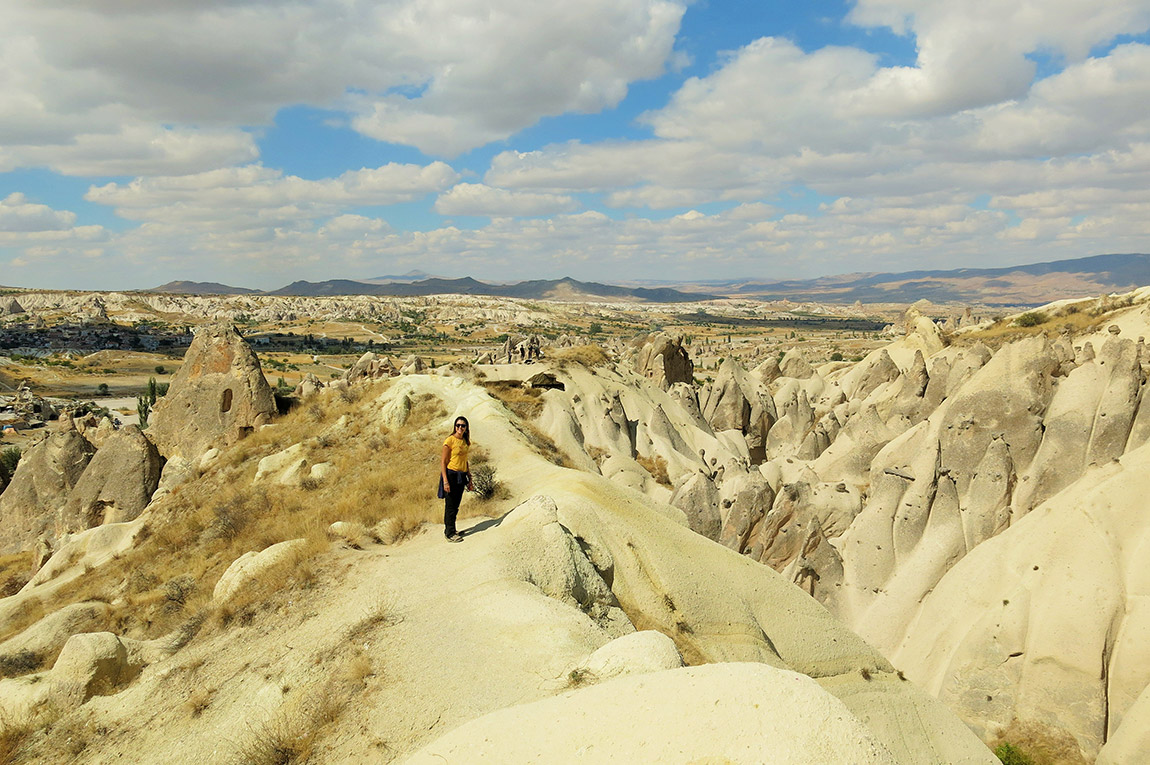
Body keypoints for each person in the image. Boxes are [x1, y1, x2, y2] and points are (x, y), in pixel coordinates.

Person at [441, 416, 473, 542]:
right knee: (450, 505)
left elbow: (465, 460)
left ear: (466, 428)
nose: (460, 428)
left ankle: (452, 529)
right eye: (458, 425)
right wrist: (445, 481)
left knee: (456, 505)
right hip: (451, 475)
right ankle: (449, 533)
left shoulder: (465, 442)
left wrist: (469, 477)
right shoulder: (450, 441)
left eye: (463, 426)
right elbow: (443, 462)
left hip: (461, 475)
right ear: (454, 426)